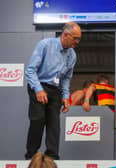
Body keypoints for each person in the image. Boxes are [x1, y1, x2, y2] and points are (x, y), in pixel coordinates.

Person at [25, 22, 81, 160]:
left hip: (55, 90)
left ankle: (52, 157)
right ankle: (31, 156)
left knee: (54, 124)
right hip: (38, 86)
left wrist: (66, 96)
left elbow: (66, 78)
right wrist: (38, 90)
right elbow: (30, 70)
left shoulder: (72, 55)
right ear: (65, 35)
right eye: (75, 38)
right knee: (38, 120)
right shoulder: (45, 45)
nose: (77, 42)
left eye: (79, 39)